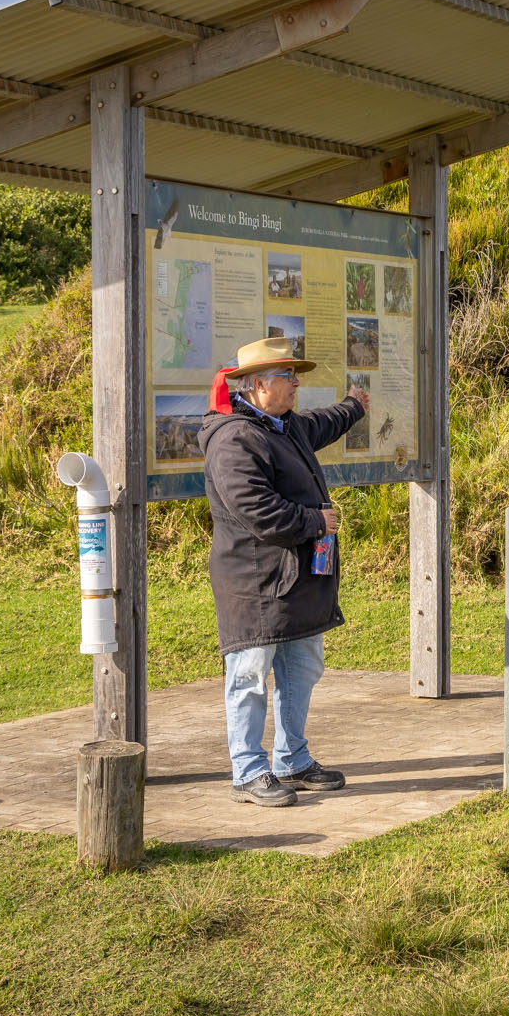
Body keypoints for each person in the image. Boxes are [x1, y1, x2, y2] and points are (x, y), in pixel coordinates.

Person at [199, 336, 370, 807]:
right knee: (250, 676)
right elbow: (258, 511)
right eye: (286, 376)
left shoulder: (281, 425)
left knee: (301, 668)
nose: (296, 383)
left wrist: (354, 406)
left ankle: (291, 760)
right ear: (255, 387)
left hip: (293, 581)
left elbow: (322, 423)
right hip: (255, 584)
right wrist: (317, 521)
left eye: (294, 375)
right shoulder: (234, 438)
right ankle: (248, 771)